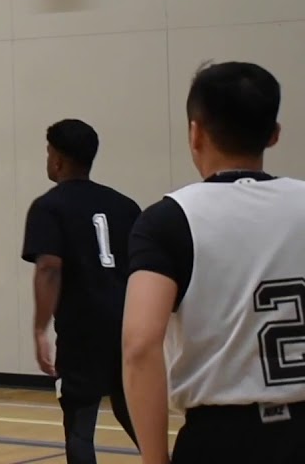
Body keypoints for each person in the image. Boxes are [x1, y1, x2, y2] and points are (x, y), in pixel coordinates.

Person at [124, 61, 305, 464]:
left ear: (195, 132)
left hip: (222, 438)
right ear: (274, 134)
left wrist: (154, 458)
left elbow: (139, 345)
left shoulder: (168, 219)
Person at [20, 119, 140, 463]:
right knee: (135, 413)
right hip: (127, 325)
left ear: (57, 160)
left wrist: (40, 329)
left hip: (81, 331)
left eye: (48, 152)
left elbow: (49, 267)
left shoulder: (48, 206)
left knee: (80, 427)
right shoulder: (126, 206)